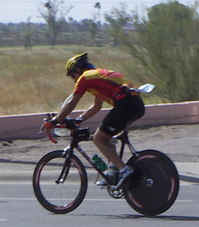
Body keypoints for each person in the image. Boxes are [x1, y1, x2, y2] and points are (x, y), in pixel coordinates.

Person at [45, 53, 145, 188]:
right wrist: (80, 119)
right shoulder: (97, 75)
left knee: (98, 138)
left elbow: (71, 104)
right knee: (107, 137)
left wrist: (54, 121)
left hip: (125, 104)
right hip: (136, 104)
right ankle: (112, 173)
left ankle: (124, 169)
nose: (73, 80)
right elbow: (97, 106)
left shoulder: (85, 78)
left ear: (77, 70)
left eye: (71, 75)